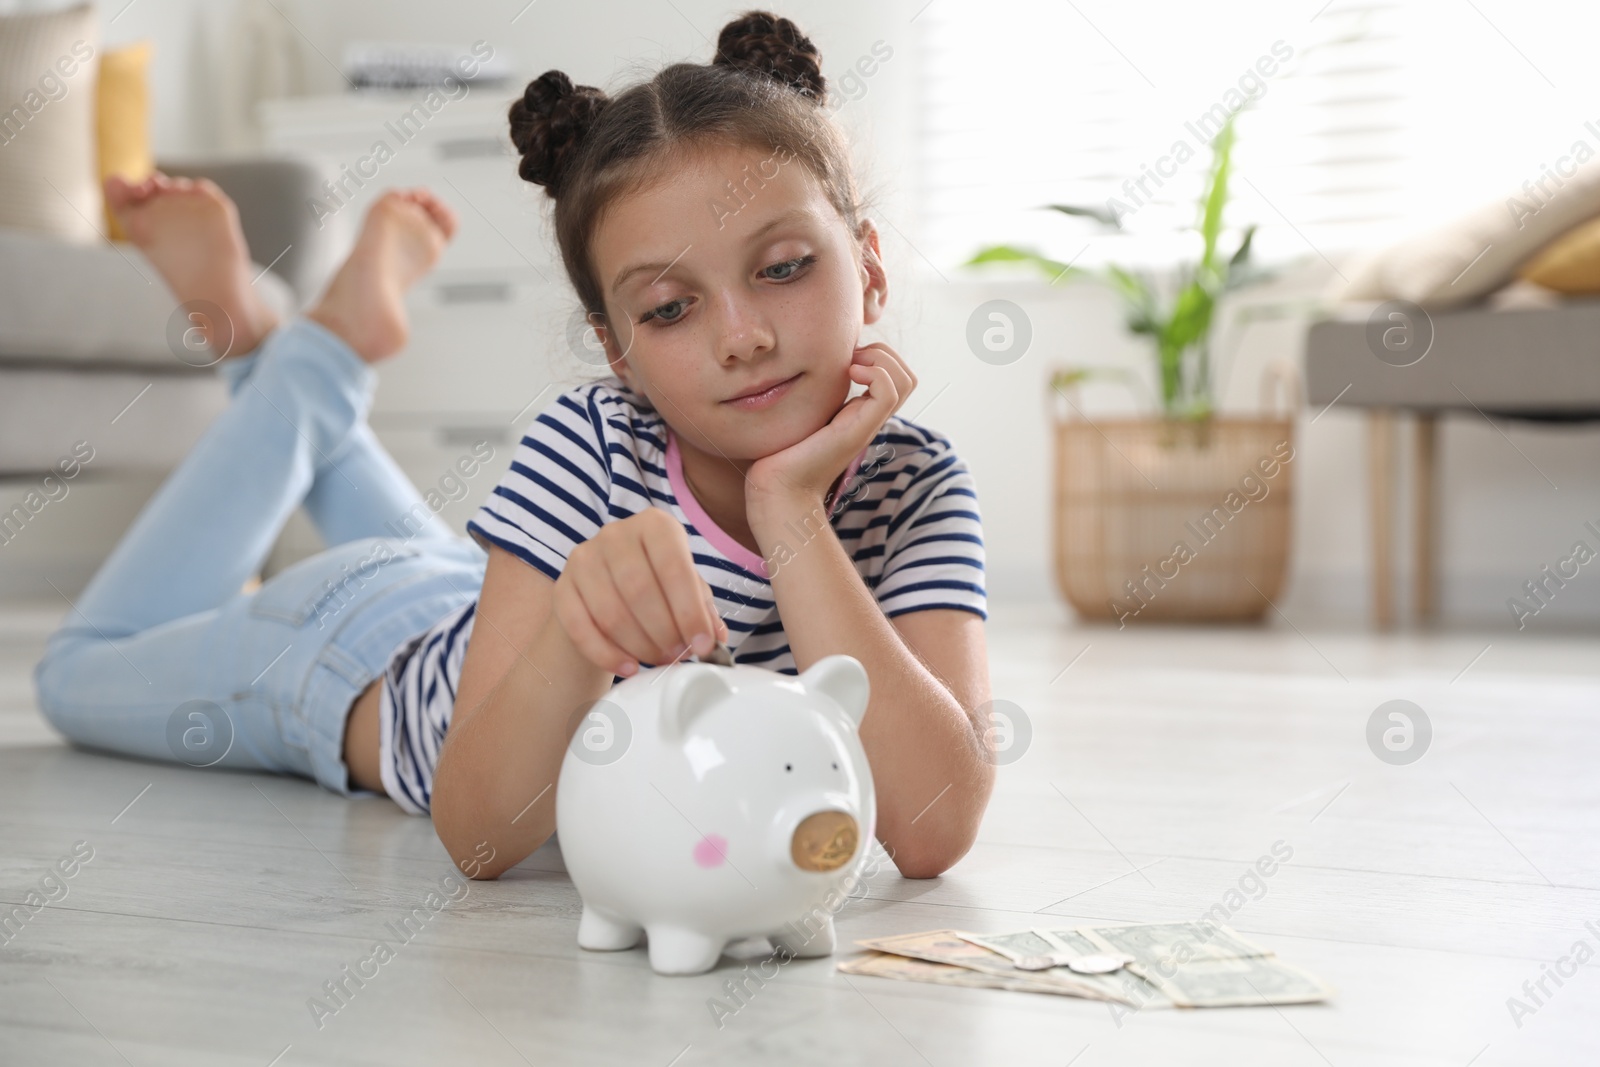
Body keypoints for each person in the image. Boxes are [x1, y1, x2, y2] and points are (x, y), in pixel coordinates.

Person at [33, 10, 993, 881]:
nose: (742, 335)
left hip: (469, 593)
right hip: (345, 653)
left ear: (867, 266)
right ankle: (302, 354)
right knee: (73, 672)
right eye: (670, 307)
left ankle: (264, 344)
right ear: (617, 349)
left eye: (783, 267)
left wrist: (790, 514)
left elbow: (932, 829)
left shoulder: (917, 485)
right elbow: (481, 835)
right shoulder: (592, 442)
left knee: (442, 568)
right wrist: (582, 634)